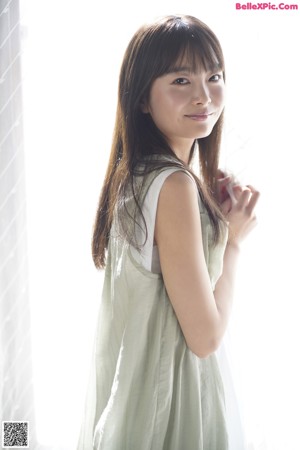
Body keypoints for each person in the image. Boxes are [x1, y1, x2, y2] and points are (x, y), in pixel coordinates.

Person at [76, 14, 260, 450]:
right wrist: (232, 242)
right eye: (181, 80)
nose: (204, 96)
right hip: (170, 406)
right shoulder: (173, 186)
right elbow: (205, 337)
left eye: (213, 76)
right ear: (142, 98)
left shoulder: (137, 177)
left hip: (136, 401)